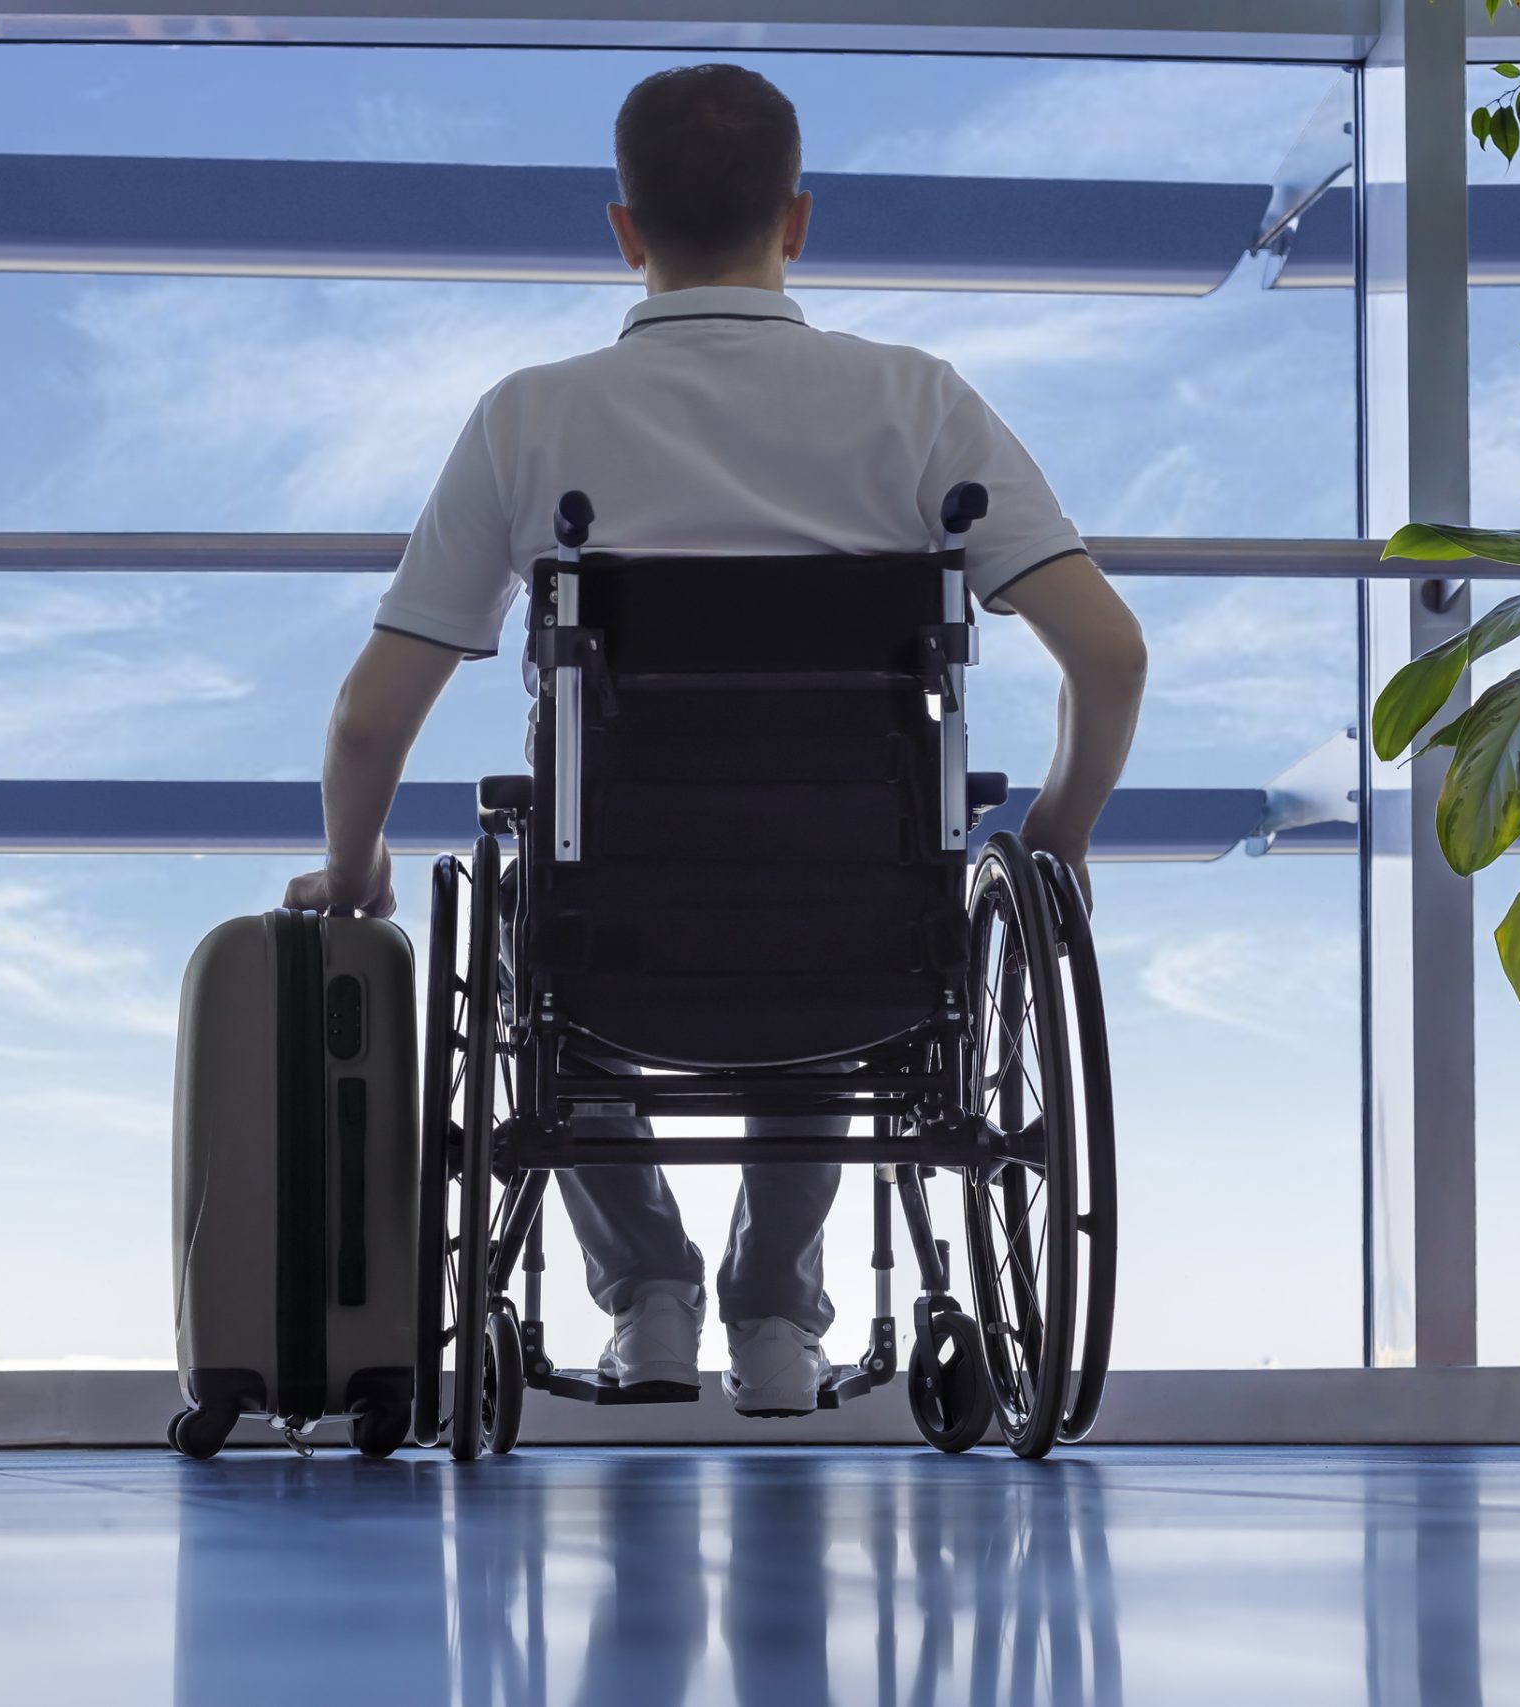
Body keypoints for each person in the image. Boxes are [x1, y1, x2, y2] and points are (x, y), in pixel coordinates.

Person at [283, 64, 1147, 1416]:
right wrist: (1059, 834)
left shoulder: (530, 417)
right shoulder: (920, 405)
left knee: (536, 944)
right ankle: (773, 1317)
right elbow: (1110, 652)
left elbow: (369, 714)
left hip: (614, 947)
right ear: (796, 220)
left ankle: (651, 1298)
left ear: (626, 231)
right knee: (843, 917)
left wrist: (352, 867)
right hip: (865, 949)